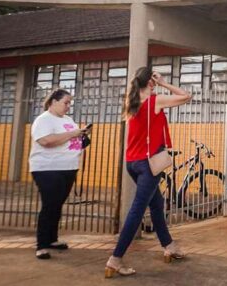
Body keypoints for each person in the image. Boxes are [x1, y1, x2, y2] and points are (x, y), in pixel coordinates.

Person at [105, 67, 191, 278]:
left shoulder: (131, 102)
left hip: (132, 163)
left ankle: (169, 246)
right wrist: (162, 83)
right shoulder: (155, 101)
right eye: (153, 80)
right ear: (150, 82)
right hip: (149, 164)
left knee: (157, 204)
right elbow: (186, 96)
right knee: (137, 211)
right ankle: (115, 260)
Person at [29, 88, 91, 260]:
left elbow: (73, 141)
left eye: (70, 103)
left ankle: (52, 239)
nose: (68, 106)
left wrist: (83, 136)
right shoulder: (44, 120)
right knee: (50, 204)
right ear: (53, 102)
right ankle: (41, 245)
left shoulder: (68, 120)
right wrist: (73, 133)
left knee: (57, 204)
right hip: (48, 168)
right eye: (65, 102)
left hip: (68, 167)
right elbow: (46, 141)